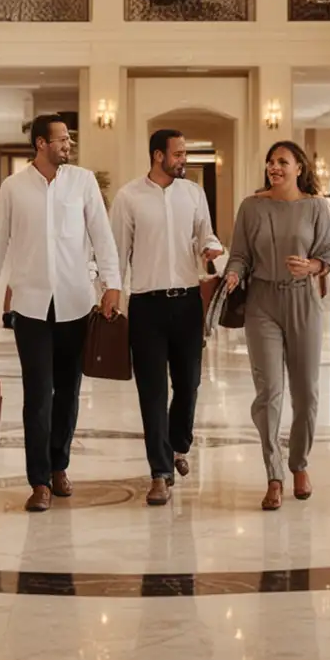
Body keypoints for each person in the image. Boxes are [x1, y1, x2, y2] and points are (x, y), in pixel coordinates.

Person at [0, 115, 122, 513]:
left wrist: (112, 286)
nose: (68, 144)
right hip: (31, 308)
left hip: (74, 303)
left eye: (68, 138)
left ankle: (59, 466)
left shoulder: (82, 181)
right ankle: (38, 482)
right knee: (38, 394)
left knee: (68, 392)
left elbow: (102, 237)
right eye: (61, 139)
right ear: (41, 144)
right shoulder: (14, 188)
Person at [222, 140, 330, 511]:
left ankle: (299, 464)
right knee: (269, 393)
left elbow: (329, 256)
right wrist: (232, 274)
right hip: (262, 302)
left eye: (282, 162)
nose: (275, 167)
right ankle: (273, 473)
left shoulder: (316, 207)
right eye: (271, 161)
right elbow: (239, 254)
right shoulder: (251, 207)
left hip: (303, 300)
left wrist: (313, 267)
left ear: (299, 168)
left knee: (306, 393)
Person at [111, 129, 222, 507]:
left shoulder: (193, 194)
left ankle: (178, 445)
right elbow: (116, 254)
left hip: (188, 302)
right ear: (158, 155)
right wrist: (110, 296)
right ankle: (160, 473)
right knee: (153, 393)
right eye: (178, 153)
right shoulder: (128, 197)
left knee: (189, 384)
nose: (183, 159)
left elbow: (205, 234)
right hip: (146, 306)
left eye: (185, 152)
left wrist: (211, 249)